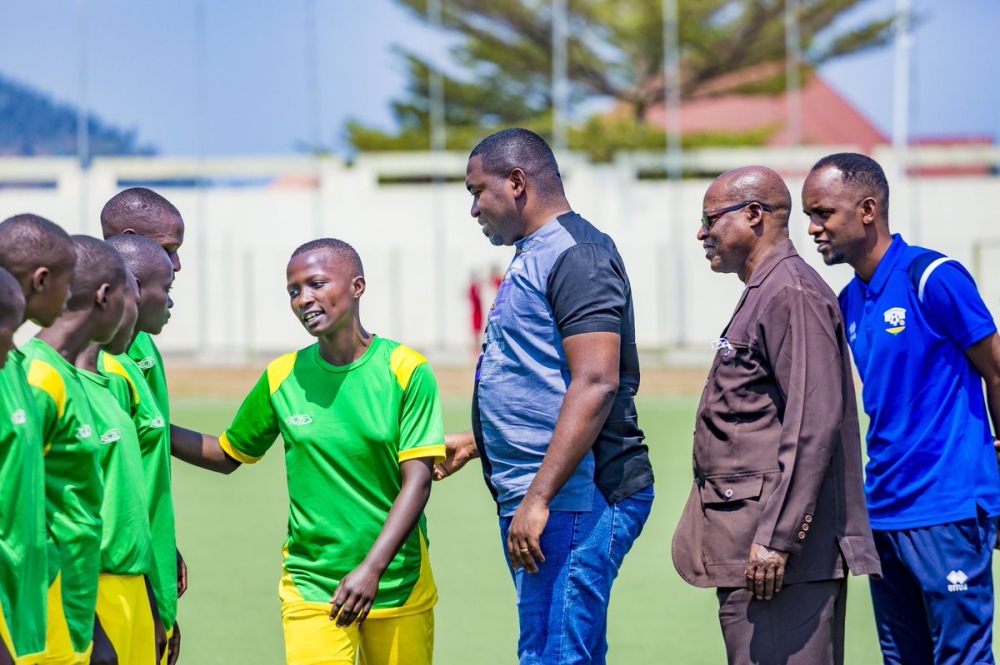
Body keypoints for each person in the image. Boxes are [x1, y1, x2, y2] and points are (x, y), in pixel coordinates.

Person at [170, 239, 445, 665]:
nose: (303, 299)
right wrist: (152, 427)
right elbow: (227, 455)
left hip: (398, 583)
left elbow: (418, 481)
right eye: (293, 291)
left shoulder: (406, 370)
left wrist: (371, 570)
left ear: (357, 286)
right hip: (312, 583)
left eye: (316, 284)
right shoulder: (283, 376)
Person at [436, 128, 654, 664]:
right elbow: (542, 377)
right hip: (548, 497)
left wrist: (539, 497)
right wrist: (480, 441)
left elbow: (596, 382)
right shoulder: (536, 251)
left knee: (554, 657)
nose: (472, 209)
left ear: (516, 183)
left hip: (574, 500)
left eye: (476, 191)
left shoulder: (576, 254)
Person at [671, 166, 881, 665]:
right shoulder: (767, 289)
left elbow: (813, 423)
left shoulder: (790, 292)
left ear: (753, 216)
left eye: (710, 219)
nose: (702, 232)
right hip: (757, 550)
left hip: (777, 559)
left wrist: (777, 537)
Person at [803, 152, 1000, 665]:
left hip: (948, 507)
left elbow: (997, 370)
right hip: (883, 511)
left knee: (962, 656)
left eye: (823, 213)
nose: (813, 228)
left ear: (867, 209)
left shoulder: (933, 277)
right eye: (809, 215)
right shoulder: (849, 300)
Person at [21, 235, 130, 665]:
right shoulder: (36, 378)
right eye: (127, 296)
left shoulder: (70, 376)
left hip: (73, 618)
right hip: (33, 628)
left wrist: (94, 632)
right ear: (105, 297)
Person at [100, 187, 184, 664]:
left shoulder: (142, 344)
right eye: (169, 252)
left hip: (142, 567)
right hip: (112, 580)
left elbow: (145, 464)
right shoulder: (102, 365)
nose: (176, 267)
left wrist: (164, 541)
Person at [74, 266, 161, 665]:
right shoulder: (48, 382)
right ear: (107, 298)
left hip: (132, 586)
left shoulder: (107, 383)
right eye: (135, 303)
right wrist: (89, 624)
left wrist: (152, 604)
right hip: (89, 593)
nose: (139, 317)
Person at [0, 215, 76, 665]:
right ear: (41, 279)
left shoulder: (16, 364)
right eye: (68, 282)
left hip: (33, 607)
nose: (71, 296)